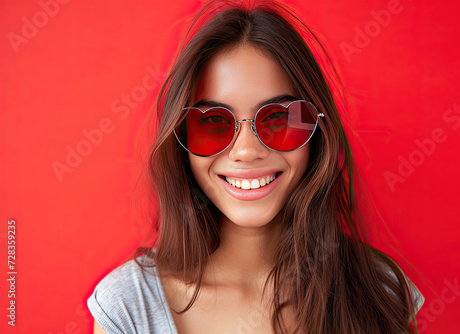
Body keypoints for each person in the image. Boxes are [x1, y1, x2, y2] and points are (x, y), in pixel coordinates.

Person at [87, 0, 424, 333]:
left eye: (278, 117)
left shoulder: (381, 292)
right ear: (180, 142)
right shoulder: (128, 308)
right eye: (213, 121)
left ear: (317, 133)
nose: (247, 150)